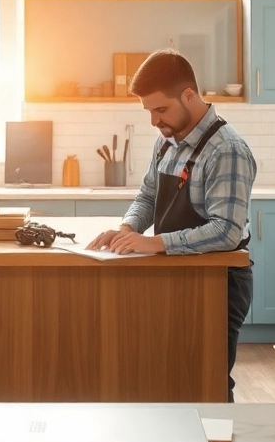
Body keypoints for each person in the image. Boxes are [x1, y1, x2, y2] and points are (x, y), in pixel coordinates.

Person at [87, 50, 257, 401]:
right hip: (175, 274)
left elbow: (227, 231)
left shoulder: (227, 151)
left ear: (189, 96)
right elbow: (147, 197)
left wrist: (156, 243)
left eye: (160, 109)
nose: (154, 120)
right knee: (168, 375)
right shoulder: (166, 141)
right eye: (149, 111)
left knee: (206, 381)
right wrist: (128, 229)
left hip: (218, 283)